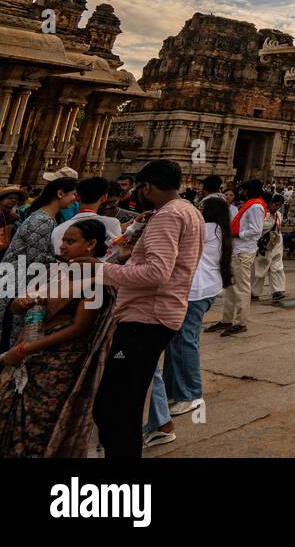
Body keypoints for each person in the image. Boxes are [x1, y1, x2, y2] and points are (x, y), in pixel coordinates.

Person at [93, 160, 203, 459]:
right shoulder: (189, 211)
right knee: (118, 404)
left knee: (114, 409)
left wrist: (99, 271)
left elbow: (156, 273)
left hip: (146, 317)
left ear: (147, 187)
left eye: (138, 187)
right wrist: (131, 252)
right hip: (160, 313)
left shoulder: (168, 216)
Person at [0, 218, 116, 456]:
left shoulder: (95, 280)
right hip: (29, 352)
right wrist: (21, 304)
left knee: (39, 422)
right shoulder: (57, 270)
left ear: (91, 244)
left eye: (70, 241)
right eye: (63, 240)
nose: (63, 246)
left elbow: (79, 327)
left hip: (58, 363)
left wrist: (24, 351)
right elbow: (19, 306)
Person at [164, 194, 230, 422]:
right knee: (177, 339)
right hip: (206, 287)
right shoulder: (219, 229)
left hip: (196, 290)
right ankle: (173, 390)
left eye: (201, 207)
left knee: (184, 340)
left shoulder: (207, 228)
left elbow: (176, 236)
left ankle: (191, 394)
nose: (197, 211)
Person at [0, 176, 79, 350]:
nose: (75, 198)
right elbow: (37, 259)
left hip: (19, 283)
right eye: (73, 194)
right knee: (7, 333)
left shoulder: (46, 218)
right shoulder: (42, 220)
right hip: (16, 283)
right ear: (60, 193)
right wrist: (69, 264)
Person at [207, 179, 266, 338]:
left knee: (241, 288)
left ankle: (240, 322)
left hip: (243, 251)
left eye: (244, 190)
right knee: (230, 287)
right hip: (237, 250)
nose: (242, 193)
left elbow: (255, 231)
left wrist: (237, 234)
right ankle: (227, 319)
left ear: (250, 191)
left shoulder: (255, 207)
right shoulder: (251, 205)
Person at [251, 193, 287, 302]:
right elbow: (258, 230)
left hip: (276, 243)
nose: (277, 208)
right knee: (259, 269)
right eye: (275, 205)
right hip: (263, 245)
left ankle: (277, 291)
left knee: (277, 267)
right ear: (270, 203)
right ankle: (254, 293)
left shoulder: (278, 215)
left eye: (279, 206)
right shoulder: (263, 215)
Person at [0, 185, 25, 254]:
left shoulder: (15, 213)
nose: (13, 200)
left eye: (16, 199)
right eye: (9, 198)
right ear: (1, 199)